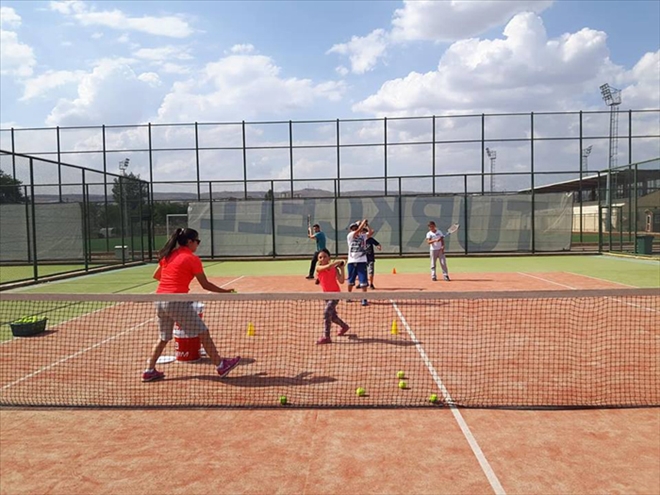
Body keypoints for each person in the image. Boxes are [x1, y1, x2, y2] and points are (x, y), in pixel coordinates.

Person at [142, 227, 241, 382]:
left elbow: (156, 276)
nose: (198, 245)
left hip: (159, 300)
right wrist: (226, 292)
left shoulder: (168, 255)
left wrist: (174, 282)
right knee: (203, 332)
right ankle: (221, 365)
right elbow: (205, 285)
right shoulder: (192, 259)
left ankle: (149, 370)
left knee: (163, 338)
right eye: (197, 241)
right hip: (176, 301)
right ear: (190, 242)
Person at [314, 248, 350, 344]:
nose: (322, 259)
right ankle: (344, 326)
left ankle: (327, 337)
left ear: (329, 258)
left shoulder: (334, 269)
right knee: (333, 317)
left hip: (335, 294)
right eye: (320, 257)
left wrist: (341, 268)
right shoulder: (318, 268)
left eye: (325, 256)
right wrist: (337, 262)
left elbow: (341, 281)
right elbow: (327, 267)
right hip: (326, 295)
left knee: (326, 313)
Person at [346, 219, 371, 306]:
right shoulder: (350, 235)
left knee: (363, 282)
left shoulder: (363, 236)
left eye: (355, 227)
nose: (354, 229)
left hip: (362, 261)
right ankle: (348, 296)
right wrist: (362, 223)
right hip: (352, 261)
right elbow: (357, 231)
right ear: (350, 230)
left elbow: (371, 232)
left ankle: (364, 299)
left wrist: (367, 225)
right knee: (351, 281)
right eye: (352, 228)